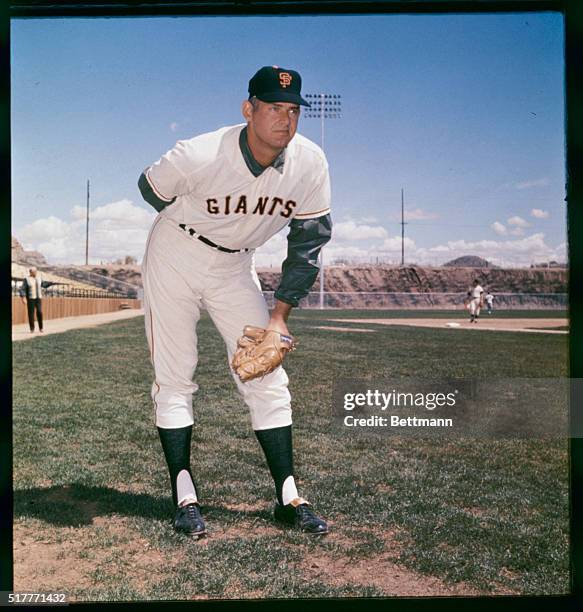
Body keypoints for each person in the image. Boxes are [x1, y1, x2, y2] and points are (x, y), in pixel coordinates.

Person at [137, 66, 332, 538]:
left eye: (292, 111)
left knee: (267, 374)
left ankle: (289, 497)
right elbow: (149, 188)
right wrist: (199, 220)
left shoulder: (309, 163)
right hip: (176, 254)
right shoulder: (200, 153)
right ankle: (185, 496)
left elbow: (309, 242)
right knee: (176, 375)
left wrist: (279, 318)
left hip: (234, 267)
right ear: (249, 110)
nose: (284, 121)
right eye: (272, 109)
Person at [19, 266, 45, 333]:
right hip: (31, 299)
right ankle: (32, 328)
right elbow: (22, 289)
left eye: (36, 271)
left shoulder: (39, 278)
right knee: (31, 314)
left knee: (40, 312)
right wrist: (23, 298)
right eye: (34, 271)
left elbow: (43, 284)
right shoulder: (26, 279)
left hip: (38, 298)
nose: (36, 273)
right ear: (31, 272)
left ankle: (41, 328)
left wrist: (51, 283)